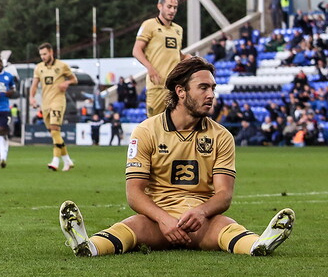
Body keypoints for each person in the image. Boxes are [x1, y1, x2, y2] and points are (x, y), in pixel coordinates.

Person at [59, 56, 294, 258]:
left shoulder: (222, 136)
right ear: (181, 91)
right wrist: (164, 219)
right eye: (203, 87)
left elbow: (224, 195)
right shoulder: (146, 131)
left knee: (225, 225)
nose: (211, 94)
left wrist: (201, 212)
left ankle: (257, 245)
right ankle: (88, 246)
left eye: (213, 88)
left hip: (201, 223)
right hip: (157, 223)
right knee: (132, 226)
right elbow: (134, 193)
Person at [133, 0, 189, 117]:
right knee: (154, 126)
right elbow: (136, 50)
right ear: (160, 6)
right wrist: (150, 68)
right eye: (169, 6)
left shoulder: (178, 29)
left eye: (175, 8)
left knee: (177, 125)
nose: (172, 10)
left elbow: (175, 53)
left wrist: (186, 58)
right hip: (157, 85)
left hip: (175, 86)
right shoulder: (149, 25)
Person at [29, 42, 76, 171]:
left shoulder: (62, 66)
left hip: (58, 101)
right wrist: (31, 97)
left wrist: (67, 83)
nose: (43, 57)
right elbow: (34, 85)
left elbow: (74, 79)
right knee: (54, 133)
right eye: (41, 55)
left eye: (44, 54)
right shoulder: (39, 67)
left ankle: (55, 161)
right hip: (45, 103)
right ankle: (67, 160)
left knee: (55, 130)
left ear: (51, 52)